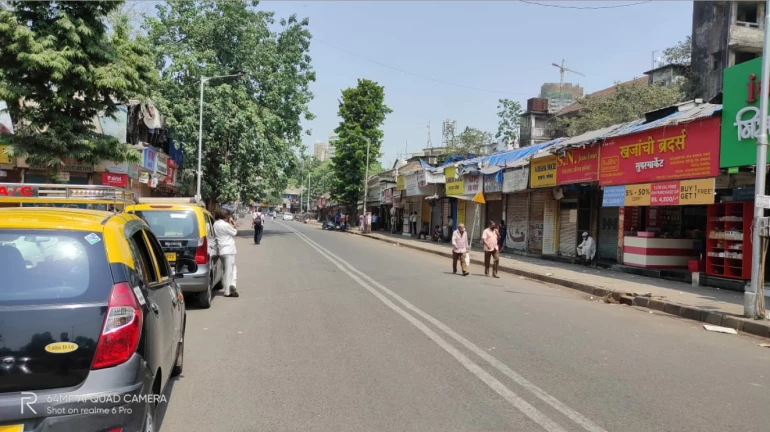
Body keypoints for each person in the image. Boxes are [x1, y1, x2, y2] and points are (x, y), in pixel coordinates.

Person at [214, 210, 239, 297]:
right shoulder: (226, 225)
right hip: (229, 250)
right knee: (229, 271)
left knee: (229, 269)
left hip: (221, 250)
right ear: (227, 217)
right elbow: (235, 232)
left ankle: (232, 285)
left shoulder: (215, 224)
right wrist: (232, 223)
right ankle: (228, 291)